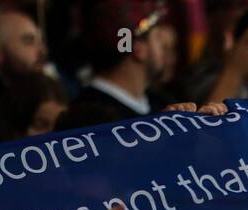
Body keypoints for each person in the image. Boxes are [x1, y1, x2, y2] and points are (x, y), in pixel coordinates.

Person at [56, 0, 170, 131]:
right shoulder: (88, 121)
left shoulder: (160, 103)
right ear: (138, 49)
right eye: (157, 37)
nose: (164, 45)